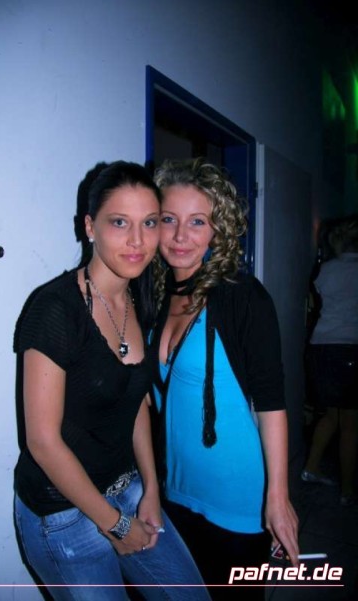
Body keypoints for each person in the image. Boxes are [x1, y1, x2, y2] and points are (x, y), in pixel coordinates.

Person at [13, 160, 211, 601]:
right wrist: (116, 525)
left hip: (127, 489)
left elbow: (133, 400)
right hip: (62, 511)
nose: (138, 241)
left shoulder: (141, 296)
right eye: (120, 222)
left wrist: (151, 488)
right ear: (90, 227)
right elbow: (42, 442)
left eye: (150, 223)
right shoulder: (55, 310)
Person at [148, 157, 299, 600]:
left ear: (218, 229)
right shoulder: (156, 294)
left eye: (198, 221)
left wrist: (278, 497)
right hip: (175, 491)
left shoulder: (243, 297)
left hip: (236, 498)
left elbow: (270, 404)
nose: (180, 236)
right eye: (169, 219)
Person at [302, 215, 358, 506]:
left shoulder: (327, 268)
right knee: (350, 422)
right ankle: (348, 490)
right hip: (348, 348)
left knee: (332, 415)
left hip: (322, 346)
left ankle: (311, 468)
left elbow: (321, 298)